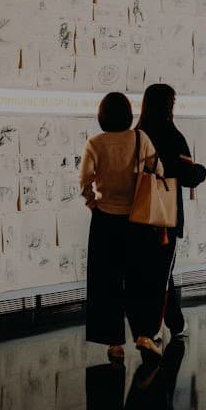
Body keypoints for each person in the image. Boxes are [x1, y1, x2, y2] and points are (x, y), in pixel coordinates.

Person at [81, 91, 166, 360]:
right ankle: (144, 334)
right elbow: (159, 171)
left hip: (105, 219)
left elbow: (84, 180)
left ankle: (114, 344)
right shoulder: (140, 138)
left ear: (101, 116)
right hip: (137, 220)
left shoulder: (95, 143)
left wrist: (92, 202)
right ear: (128, 115)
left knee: (106, 281)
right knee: (141, 278)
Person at [136, 83, 206, 339]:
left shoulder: (138, 134)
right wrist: (201, 171)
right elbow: (186, 174)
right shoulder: (171, 134)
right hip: (166, 215)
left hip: (140, 215)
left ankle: (176, 323)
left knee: (155, 271)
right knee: (162, 274)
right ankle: (152, 330)